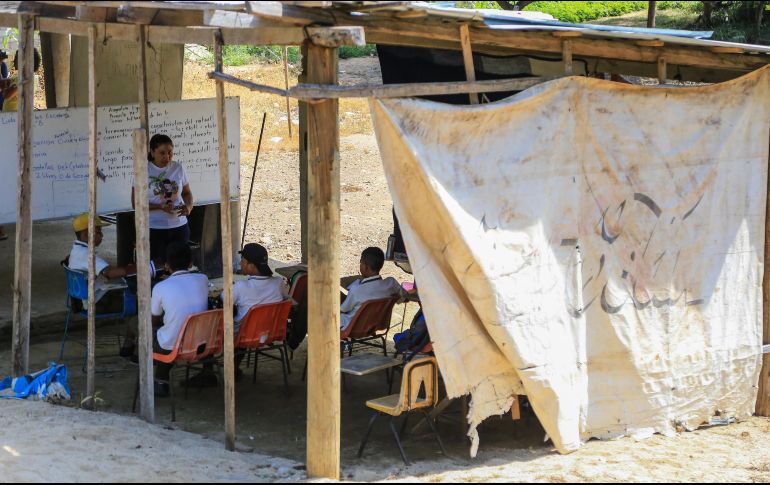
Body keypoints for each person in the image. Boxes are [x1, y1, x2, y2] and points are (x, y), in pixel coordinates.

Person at [147, 241, 209, 395]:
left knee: (142, 327)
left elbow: (153, 320)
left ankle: (161, 379)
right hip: (202, 343)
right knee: (198, 322)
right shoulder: (203, 279)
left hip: (174, 346)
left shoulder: (160, 287)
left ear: (166, 266)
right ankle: (208, 372)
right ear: (190, 263)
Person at [131, 134, 194, 265]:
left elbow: (187, 193)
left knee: (179, 266)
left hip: (179, 227)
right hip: (154, 229)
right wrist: (159, 207)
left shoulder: (178, 168)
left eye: (170, 152)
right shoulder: (142, 170)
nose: (167, 157)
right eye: (162, 153)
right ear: (152, 152)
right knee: (157, 267)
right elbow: (135, 204)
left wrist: (188, 206)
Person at [67, 213, 140, 314]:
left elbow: (106, 269)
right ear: (85, 234)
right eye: (98, 231)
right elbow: (109, 273)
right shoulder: (86, 255)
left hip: (81, 298)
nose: (101, 235)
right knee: (141, 302)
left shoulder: (77, 250)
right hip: (94, 303)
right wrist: (140, 268)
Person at [340, 247, 405, 331]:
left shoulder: (356, 290)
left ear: (366, 267)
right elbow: (404, 297)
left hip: (352, 327)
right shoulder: (391, 283)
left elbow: (343, 309)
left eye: (361, 263)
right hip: (377, 324)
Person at [2, 48, 41, 112]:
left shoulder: (25, 80)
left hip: (14, 119)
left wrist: (5, 89)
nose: (13, 61)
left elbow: (7, 95)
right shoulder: (19, 78)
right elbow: (2, 83)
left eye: (16, 58)